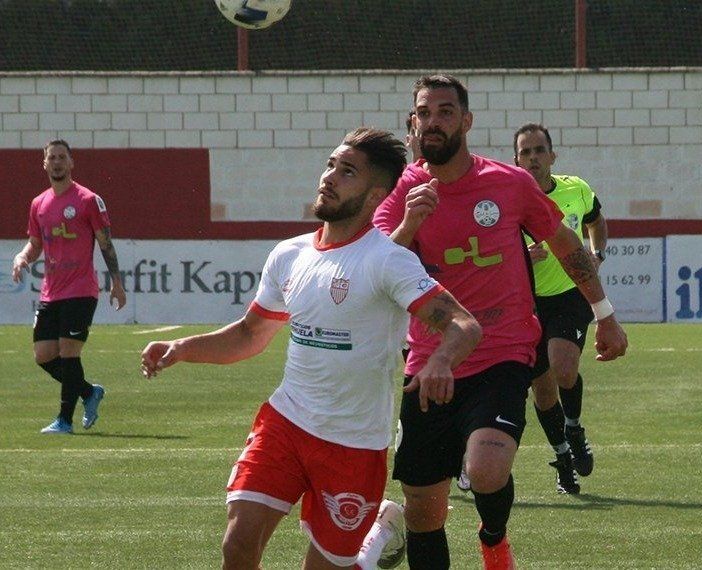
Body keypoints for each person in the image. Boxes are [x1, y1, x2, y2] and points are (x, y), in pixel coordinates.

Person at [140, 127, 482, 570]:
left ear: (377, 193)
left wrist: (439, 361)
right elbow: (249, 335)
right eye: (330, 165)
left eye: (347, 172)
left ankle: (376, 547)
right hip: (286, 422)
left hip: (353, 444)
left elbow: (463, 324)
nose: (330, 177)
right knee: (237, 546)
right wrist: (181, 347)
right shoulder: (289, 255)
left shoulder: (389, 260)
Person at [372, 74, 628, 570]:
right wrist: (409, 226)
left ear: (466, 121)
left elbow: (565, 244)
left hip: (502, 351)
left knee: (486, 471)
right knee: (425, 509)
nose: (434, 121)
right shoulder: (402, 194)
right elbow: (376, 269)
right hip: (428, 361)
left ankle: (493, 539)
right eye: (424, 112)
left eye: (446, 111)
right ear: (413, 122)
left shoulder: (508, 184)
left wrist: (605, 315)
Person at [513, 122, 608, 494]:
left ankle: (574, 424)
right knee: (543, 389)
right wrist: (523, 256)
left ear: (552, 156)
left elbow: (596, 221)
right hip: (526, 300)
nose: (533, 158)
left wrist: (597, 253)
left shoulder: (576, 189)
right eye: (526, 152)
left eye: (539, 150)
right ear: (516, 160)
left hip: (569, 294)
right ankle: (563, 454)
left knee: (563, 366)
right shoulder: (507, 199)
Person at [10, 139, 127, 434]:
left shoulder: (88, 200)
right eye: (53, 158)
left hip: (81, 290)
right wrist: (23, 256)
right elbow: (36, 243)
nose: (58, 162)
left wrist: (116, 281)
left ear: (72, 163)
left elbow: (105, 243)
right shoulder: (39, 204)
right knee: (43, 354)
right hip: (51, 291)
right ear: (45, 164)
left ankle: (64, 420)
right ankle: (88, 392)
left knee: (69, 351)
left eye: (63, 157)